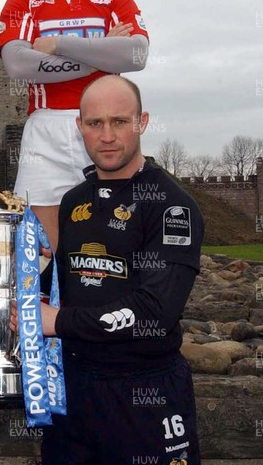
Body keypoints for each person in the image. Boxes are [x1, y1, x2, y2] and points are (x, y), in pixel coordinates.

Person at [33, 75, 203, 464]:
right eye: (95, 123)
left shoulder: (172, 206)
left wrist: (57, 322)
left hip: (146, 392)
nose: (106, 135)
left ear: (141, 122)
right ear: (80, 128)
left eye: (119, 122)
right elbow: (64, 280)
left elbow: (155, 312)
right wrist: (5, 282)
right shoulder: (74, 201)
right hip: (74, 392)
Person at [0, 0, 149, 251]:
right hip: (45, 129)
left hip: (104, 125)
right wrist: (102, 52)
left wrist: (59, 45)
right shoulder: (24, 2)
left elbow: (137, 55)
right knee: (41, 249)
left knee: (114, 240)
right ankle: (51, 307)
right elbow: (19, 66)